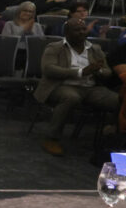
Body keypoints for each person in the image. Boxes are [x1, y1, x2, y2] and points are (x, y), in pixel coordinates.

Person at [35, 19, 118, 156]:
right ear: (67, 33)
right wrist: (81, 72)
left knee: (119, 99)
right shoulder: (55, 47)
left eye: (83, 29)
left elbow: (108, 71)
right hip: (62, 85)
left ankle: (114, 137)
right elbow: (48, 69)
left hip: (91, 87)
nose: (81, 32)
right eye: (76, 30)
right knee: (71, 98)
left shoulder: (94, 48)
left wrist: (98, 71)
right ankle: (52, 138)